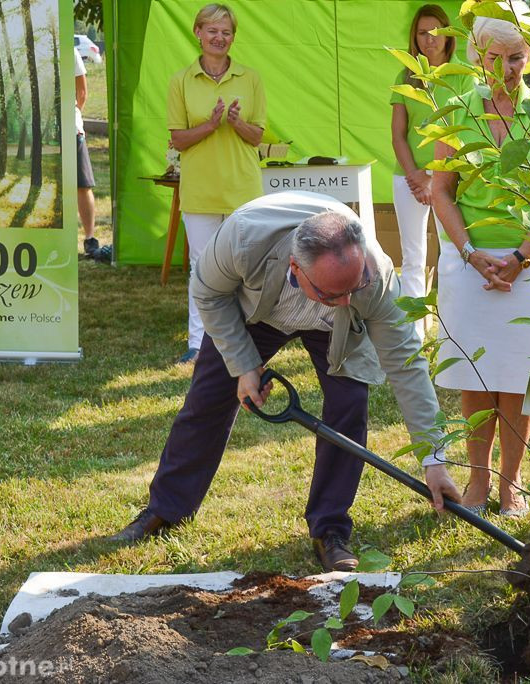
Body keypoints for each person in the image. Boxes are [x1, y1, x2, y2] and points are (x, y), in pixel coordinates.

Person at [109, 191, 463, 572]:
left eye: (352, 288)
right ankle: (165, 510)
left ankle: (329, 530)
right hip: (256, 311)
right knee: (207, 400)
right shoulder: (243, 239)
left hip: (334, 331)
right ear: (296, 267)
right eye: (332, 293)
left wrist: (434, 459)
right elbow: (207, 294)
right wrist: (244, 365)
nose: (346, 299)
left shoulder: (371, 281)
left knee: (349, 408)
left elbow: (407, 367)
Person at [431, 1, 530, 517]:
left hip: (527, 265)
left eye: (519, 57)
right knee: (475, 376)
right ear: (479, 57)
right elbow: (441, 190)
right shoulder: (457, 111)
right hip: (469, 262)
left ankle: (511, 483)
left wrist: (523, 255)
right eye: (500, 58)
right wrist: (469, 252)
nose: (511, 68)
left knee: (521, 374)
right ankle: (478, 482)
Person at [167, 3, 266, 364]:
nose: (219, 38)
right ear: (198, 33)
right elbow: (177, 140)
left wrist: (237, 123)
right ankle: (199, 343)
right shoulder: (180, 80)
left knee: (246, 268)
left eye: (226, 32)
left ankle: (248, 341)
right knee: (202, 269)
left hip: (243, 188)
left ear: (233, 38)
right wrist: (210, 125)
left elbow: (256, 137)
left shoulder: (250, 78)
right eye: (212, 30)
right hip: (201, 191)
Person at [390, 4, 473, 337]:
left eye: (435, 31)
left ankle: (452, 331)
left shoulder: (464, 74)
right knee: (413, 257)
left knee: (452, 253)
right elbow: (398, 135)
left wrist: (434, 178)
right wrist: (415, 176)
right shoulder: (404, 76)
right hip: (407, 178)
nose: (429, 39)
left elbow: (465, 131)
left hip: (448, 176)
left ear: (448, 33)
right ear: (414, 37)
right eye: (422, 33)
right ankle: (414, 336)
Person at [74, 47, 107, 263]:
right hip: (40, 132)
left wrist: (73, 114)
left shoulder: (70, 50)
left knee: (83, 185)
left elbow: (82, 91)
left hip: (71, 129)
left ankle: (89, 238)